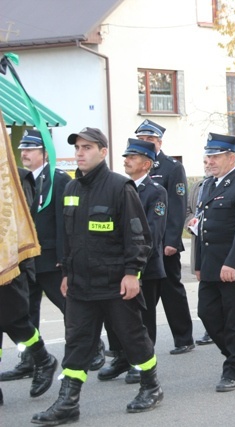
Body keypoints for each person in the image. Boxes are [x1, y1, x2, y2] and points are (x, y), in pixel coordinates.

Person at [33, 127, 162, 425]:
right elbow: (68, 237)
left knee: (132, 338)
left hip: (115, 283)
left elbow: (139, 236)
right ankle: (68, 401)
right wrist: (66, 271)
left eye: (87, 148)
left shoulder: (120, 187)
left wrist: (133, 273)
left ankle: (151, 386)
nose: (80, 153)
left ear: (103, 152)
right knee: (76, 342)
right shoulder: (71, 190)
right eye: (77, 148)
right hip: (80, 284)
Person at [1, 131, 75, 384]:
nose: (24, 154)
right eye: (22, 149)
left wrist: (63, 257)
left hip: (39, 259)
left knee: (65, 307)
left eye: (30, 149)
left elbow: (61, 221)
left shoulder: (48, 179)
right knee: (24, 313)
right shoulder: (19, 177)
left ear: (45, 153)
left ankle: (83, 349)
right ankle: (30, 361)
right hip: (25, 260)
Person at [192, 133, 235, 392]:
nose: (208, 161)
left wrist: (232, 263)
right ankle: (234, 353)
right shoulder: (208, 186)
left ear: (231, 157)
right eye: (207, 156)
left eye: (214, 156)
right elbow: (203, 228)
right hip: (211, 265)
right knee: (206, 313)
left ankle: (234, 369)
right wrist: (198, 264)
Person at [98, 139, 168, 384]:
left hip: (145, 268)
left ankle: (142, 362)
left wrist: (134, 265)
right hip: (118, 266)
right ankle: (120, 357)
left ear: (146, 164)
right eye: (126, 155)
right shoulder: (119, 187)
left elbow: (152, 232)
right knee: (114, 317)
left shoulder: (156, 192)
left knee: (142, 319)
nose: (126, 160)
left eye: (133, 157)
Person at [135, 119, 194, 355]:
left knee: (172, 291)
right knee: (146, 295)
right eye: (142, 139)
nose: (145, 143)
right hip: (144, 245)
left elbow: (177, 206)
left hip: (164, 244)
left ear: (159, 142)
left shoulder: (172, 167)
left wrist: (171, 241)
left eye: (150, 139)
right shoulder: (136, 167)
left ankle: (184, 338)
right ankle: (146, 343)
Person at [0, 165, 58, 407]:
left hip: (10, 261)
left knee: (13, 319)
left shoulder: (14, 176)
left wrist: (9, 261)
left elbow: (20, 221)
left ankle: (43, 359)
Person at [185, 161, 214, 346]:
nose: (208, 164)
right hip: (199, 242)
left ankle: (220, 327)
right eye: (204, 162)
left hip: (217, 244)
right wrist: (191, 221)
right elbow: (187, 210)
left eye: (211, 160)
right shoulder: (197, 186)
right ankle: (210, 329)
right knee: (205, 287)